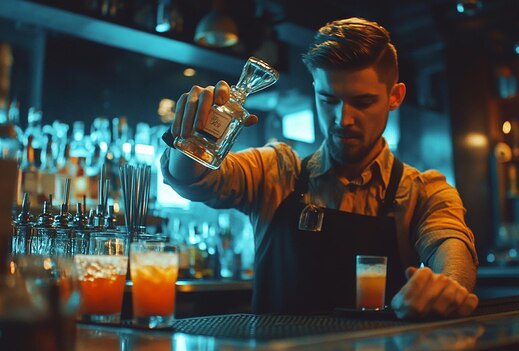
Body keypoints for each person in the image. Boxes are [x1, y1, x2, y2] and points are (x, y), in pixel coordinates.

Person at [160, 17, 479, 320]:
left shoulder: (423, 190)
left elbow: (449, 242)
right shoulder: (276, 169)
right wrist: (190, 139)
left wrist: (449, 286)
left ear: (394, 97)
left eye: (363, 102)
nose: (343, 119)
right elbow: (194, 180)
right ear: (314, 90)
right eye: (328, 100)